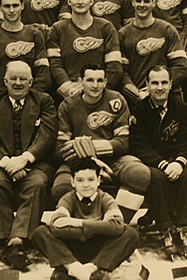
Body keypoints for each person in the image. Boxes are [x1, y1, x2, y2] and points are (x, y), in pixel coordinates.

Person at [0, 61, 58, 271]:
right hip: (1, 162)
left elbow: (47, 135)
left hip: (34, 161)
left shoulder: (44, 101)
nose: (18, 82)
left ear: (31, 81)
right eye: (13, 78)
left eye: (23, 79)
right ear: (5, 81)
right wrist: (8, 163)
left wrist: (24, 159)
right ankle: (8, 240)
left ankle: (16, 242)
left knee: (37, 184)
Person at [52, 63, 152, 225]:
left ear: (106, 82)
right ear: (80, 82)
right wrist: (91, 160)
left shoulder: (116, 100)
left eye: (100, 80)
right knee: (61, 187)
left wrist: (86, 146)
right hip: (78, 161)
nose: (95, 85)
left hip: (112, 159)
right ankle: (82, 230)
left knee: (139, 174)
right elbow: (60, 149)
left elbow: (122, 143)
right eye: (90, 80)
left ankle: (116, 226)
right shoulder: (68, 105)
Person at [31, 158, 140, 280]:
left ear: (99, 180)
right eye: (80, 180)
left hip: (99, 249)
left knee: (130, 233)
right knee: (40, 232)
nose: (86, 185)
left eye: (91, 180)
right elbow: (56, 227)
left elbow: (117, 226)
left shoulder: (105, 198)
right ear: (72, 182)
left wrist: (77, 223)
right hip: (72, 249)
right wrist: (99, 227)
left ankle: (80, 271)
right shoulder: (68, 199)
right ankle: (85, 274)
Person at [128, 65, 187, 258]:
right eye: (154, 83)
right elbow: (139, 145)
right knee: (156, 178)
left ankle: (184, 229)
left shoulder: (183, 109)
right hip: (155, 162)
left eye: (163, 83)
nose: (159, 88)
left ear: (170, 84)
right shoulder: (140, 111)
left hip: (177, 160)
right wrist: (163, 164)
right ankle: (165, 229)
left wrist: (179, 162)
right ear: (147, 85)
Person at [46, 0, 123, 100]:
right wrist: (70, 89)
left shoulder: (106, 27)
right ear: (69, 1)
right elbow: (54, 65)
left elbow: (114, 67)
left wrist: (98, 90)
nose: (80, 2)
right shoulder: (57, 29)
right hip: (69, 96)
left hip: (99, 93)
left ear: (91, 1)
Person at [117, 0, 187, 106]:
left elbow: (181, 67)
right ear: (133, 3)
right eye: (138, 1)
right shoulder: (123, 34)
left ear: (153, 3)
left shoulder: (167, 30)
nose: (142, 5)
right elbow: (121, 72)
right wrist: (136, 94)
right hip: (137, 99)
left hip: (166, 98)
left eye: (146, 1)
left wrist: (156, 89)